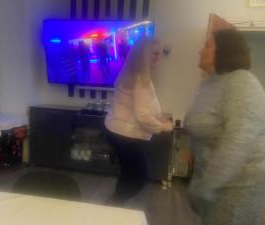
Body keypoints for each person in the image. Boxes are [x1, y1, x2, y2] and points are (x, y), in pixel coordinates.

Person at [184, 28, 265, 225]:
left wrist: (205, 187)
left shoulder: (243, 84)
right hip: (213, 182)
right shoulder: (211, 83)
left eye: (207, 46)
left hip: (238, 186)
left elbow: (237, 143)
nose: (200, 51)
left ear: (225, 50)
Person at [104, 37, 173, 205]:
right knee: (139, 178)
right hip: (128, 136)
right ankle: (112, 205)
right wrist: (163, 126)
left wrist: (158, 116)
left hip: (117, 132)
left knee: (127, 173)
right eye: (154, 53)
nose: (158, 57)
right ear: (142, 55)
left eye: (160, 54)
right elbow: (142, 116)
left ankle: (113, 207)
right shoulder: (141, 78)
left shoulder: (132, 73)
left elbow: (143, 107)